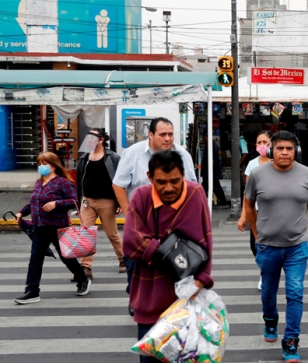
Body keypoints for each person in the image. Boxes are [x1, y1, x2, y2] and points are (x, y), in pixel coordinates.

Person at [123, 149, 214, 363]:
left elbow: (205, 238)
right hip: (150, 294)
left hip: (188, 295)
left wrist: (203, 275)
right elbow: (131, 242)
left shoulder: (196, 194)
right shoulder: (140, 198)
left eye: (174, 181)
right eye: (162, 182)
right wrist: (168, 252)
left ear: (183, 177)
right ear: (150, 178)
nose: (169, 188)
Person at [244, 131, 308, 363]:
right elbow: (248, 206)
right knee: (268, 292)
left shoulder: (306, 173)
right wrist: (258, 236)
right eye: (280, 148)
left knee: (295, 292)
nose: (285, 152)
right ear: (271, 151)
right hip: (267, 246)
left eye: (289, 148)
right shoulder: (257, 174)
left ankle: (291, 341)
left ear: (296, 151)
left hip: (296, 247)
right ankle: (270, 319)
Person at [113, 117, 197, 316]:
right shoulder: (133, 154)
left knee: (174, 263)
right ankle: (135, 296)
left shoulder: (182, 154)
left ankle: (170, 301)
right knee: (134, 263)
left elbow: (193, 185)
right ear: (150, 135)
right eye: (163, 135)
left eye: (170, 134)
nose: (168, 139)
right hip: (141, 221)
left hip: (173, 223)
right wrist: (129, 214)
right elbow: (119, 184)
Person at [14, 152, 90, 304]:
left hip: (57, 226)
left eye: (45, 164)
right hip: (40, 227)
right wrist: (22, 212)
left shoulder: (62, 182)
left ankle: (83, 279)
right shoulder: (38, 182)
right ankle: (32, 291)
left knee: (66, 257)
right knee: (35, 259)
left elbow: (74, 201)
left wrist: (57, 204)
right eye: (39, 164)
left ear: (54, 165)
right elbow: (34, 202)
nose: (41, 167)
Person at [75, 128, 124, 281]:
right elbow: (79, 182)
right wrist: (77, 201)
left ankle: (123, 259)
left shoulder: (112, 157)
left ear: (101, 140)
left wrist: (120, 202)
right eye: (88, 137)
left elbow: (120, 180)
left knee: (112, 233)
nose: (89, 140)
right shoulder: (84, 158)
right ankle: (86, 267)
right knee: (85, 233)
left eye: (93, 137)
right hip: (87, 201)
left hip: (107, 201)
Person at [238, 130, 272, 290]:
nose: (262, 146)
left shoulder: (277, 162)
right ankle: (265, 272)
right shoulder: (252, 164)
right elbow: (247, 194)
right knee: (255, 245)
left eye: (265, 142)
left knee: (272, 245)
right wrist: (243, 216)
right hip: (256, 213)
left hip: (274, 213)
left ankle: (268, 274)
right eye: (259, 143)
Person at [200, 133, 229, 208]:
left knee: (214, 187)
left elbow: (211, 159)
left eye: (203, 136)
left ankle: (223, 202)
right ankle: (201, 201)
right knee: (208, 187)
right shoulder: (213, 144)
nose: (203, 138)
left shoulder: (210, 145)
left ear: (206, 136)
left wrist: (210, 170)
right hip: (211, 171)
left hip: (210, 171)